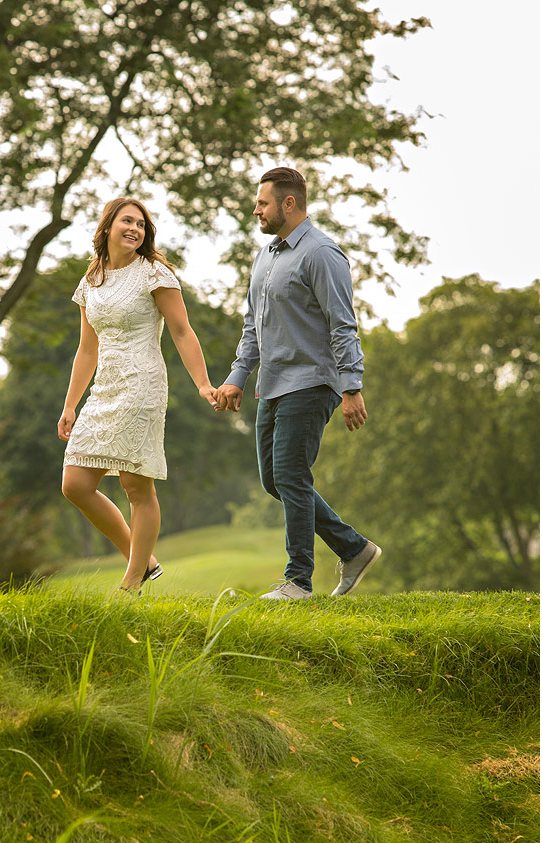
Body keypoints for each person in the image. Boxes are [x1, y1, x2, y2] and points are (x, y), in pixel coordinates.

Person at [214, 167, 381, 600]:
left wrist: (351, 387)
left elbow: (343, 325)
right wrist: (236, 377)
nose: (256, 210)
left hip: (310, 383)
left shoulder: (322, 253)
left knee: (290, 473)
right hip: (271, 384)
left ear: (289, 203)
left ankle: (298, 582)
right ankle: (353, 548)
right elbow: (253, 325)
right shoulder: (266, 256)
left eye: (262, 203)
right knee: (276, 480)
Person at [59, 196, 218, 591]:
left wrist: (202, 383)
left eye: (142, 225)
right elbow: (87, 349)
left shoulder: (154, 274)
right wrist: (70, 405)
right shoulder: (90, 281)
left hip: (142, 383)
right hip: (104, 389)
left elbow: (182, 330)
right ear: (108, 226)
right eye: (127, 221)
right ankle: (142, 559)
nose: (135, 229)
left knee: (135, 485)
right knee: (75, 484)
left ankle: (131, 584)